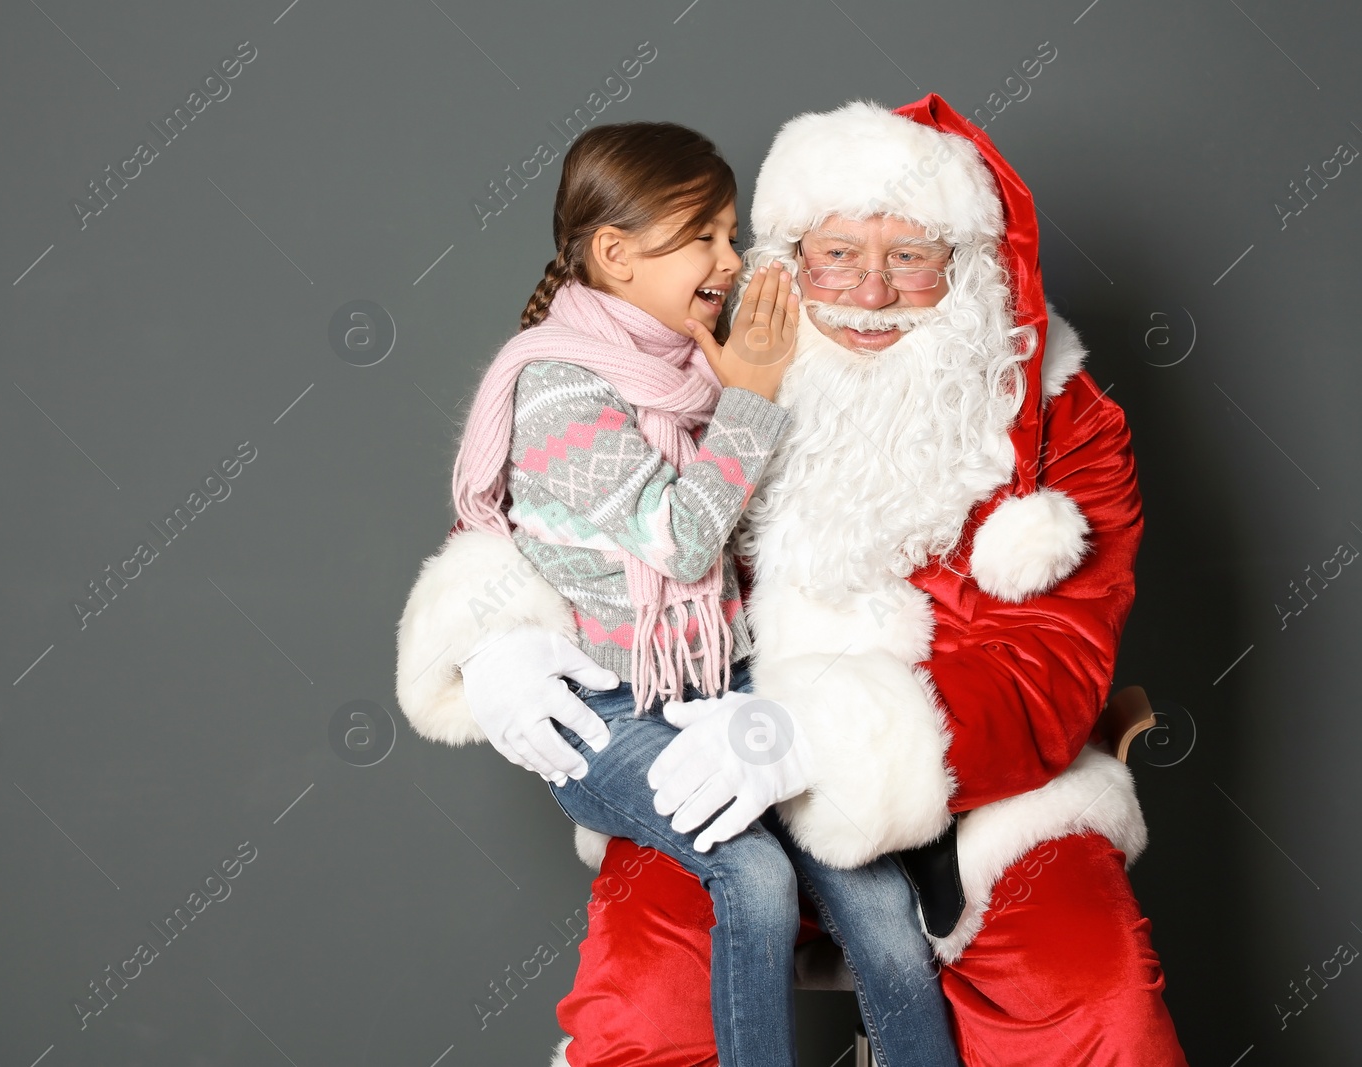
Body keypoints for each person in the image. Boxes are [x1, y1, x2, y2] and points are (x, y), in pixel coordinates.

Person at [396, 96, 1192, 1067]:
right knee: (644, 1013)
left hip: (977, 797)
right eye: (837, 253)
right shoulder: (713, 352)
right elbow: (562, 496)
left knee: (1095, 1005)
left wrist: (817, 735)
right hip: (705, 754)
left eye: (909, 255)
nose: (869, 289)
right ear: (788, 256)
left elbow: (1050, 668)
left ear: (968, 265)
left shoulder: (1060, 419)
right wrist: (498, 636)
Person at [400, 120, 961, 1067]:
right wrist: (752, 399)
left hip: (715, 682)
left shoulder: (687, 364)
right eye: (702, 235)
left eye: (731, 232)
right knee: (751, 873)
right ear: (615, 254)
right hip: (601, 708)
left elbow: (747, 535)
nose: (729, 258)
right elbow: (682, 538)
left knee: (871, 884)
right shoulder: (557, 390)